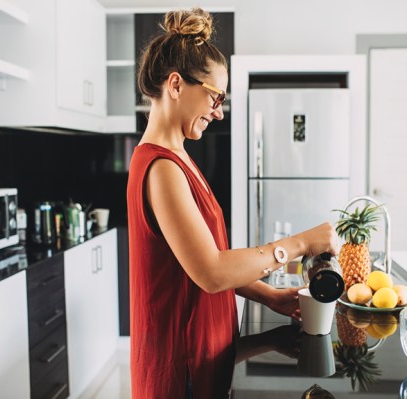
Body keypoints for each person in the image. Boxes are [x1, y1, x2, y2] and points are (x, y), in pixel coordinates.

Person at [127, 7, 339, 398]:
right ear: (176, 84)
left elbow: (207, 258)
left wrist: (269, 297)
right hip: (179, 373)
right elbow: (210, 272)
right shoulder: (161, 168)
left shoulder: (180, 159)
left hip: (204, 357)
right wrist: (300, 243)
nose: (219, 112)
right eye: (214, 97)